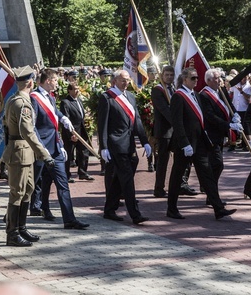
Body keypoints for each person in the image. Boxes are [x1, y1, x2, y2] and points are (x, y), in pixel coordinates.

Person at [167, 67, 236, 221]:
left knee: (207, 174)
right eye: (193, 78)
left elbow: (202, 119)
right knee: (177, 176)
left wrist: (228, 125)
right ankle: (171, 208)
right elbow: (177, 123)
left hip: (199, 143)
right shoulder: (178, 96)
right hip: (184, 145)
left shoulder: (196, 95)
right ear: (184, 79)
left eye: (197, 78)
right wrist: (184, 143)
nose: (196, 80)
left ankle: (218, 208)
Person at [3, 66, 55, 247]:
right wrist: (45, 154)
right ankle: (12, 233)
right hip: (20, 152)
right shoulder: (21, 103)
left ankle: (21, 227)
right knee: (17, 193)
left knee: (28, 190)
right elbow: (27, 132)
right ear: (31, 83)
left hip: (24, 152)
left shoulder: (15, 100)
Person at [31, 69, 88, 230]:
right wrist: (40, 148)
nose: (57, 82)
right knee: (30, 186)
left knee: (62, 184)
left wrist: (63, 118)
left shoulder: (50, 97)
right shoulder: (34, 98)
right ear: (48, 80)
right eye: (55, 80)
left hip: (55, 149)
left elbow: (54, 115)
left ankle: (69, 219)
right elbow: (32, 126)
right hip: (41, 149)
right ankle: (12, 215)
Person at [98, 69, 151, 224]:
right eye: (123, 80)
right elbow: (103, 124)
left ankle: (109, 209)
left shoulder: (131, 97)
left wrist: (145, 141)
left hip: (129, 144)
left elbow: (137, 121)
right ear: (114, 81)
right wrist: (103, 146)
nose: (126, 83)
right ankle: (135, 214)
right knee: (127, 179)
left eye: (128, 80)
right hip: (115, 144)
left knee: (119, 180)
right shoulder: (107, 97)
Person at [199, 68, 238, 204]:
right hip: (210, 134)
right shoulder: (204, 95)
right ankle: (211, 194)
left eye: (220, 77)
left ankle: (211, 195)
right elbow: (209, 116)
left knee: (215, 165)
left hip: (220, 134)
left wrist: (235, 115)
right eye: (216, 78)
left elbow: (229, 105)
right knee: (217, 165)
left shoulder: (220, 91)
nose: (219, 80)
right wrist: (228, 125)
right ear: (209, 80)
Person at [59, 82, 93, 181]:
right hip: (72, 132)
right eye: (75, 89)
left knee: (84, 152)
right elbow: (66, 119)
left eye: (78, 89)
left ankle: (83, 172)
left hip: (81, 131)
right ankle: (66, 174)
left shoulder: (79, 100)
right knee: (69, 154)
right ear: (69, 90)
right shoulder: (65, 102)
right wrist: (71, 134)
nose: (77, 91)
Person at [152, 66, 175, 198]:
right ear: (162, 75)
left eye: (171, 75)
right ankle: (159, 188)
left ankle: (181, 184)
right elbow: (164, 110)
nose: (169, 77)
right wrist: (178, 123)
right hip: (164, 131)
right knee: (163, 161)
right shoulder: (158, 90)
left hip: (175, 130)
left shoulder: (173, 89)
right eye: (167, 75)